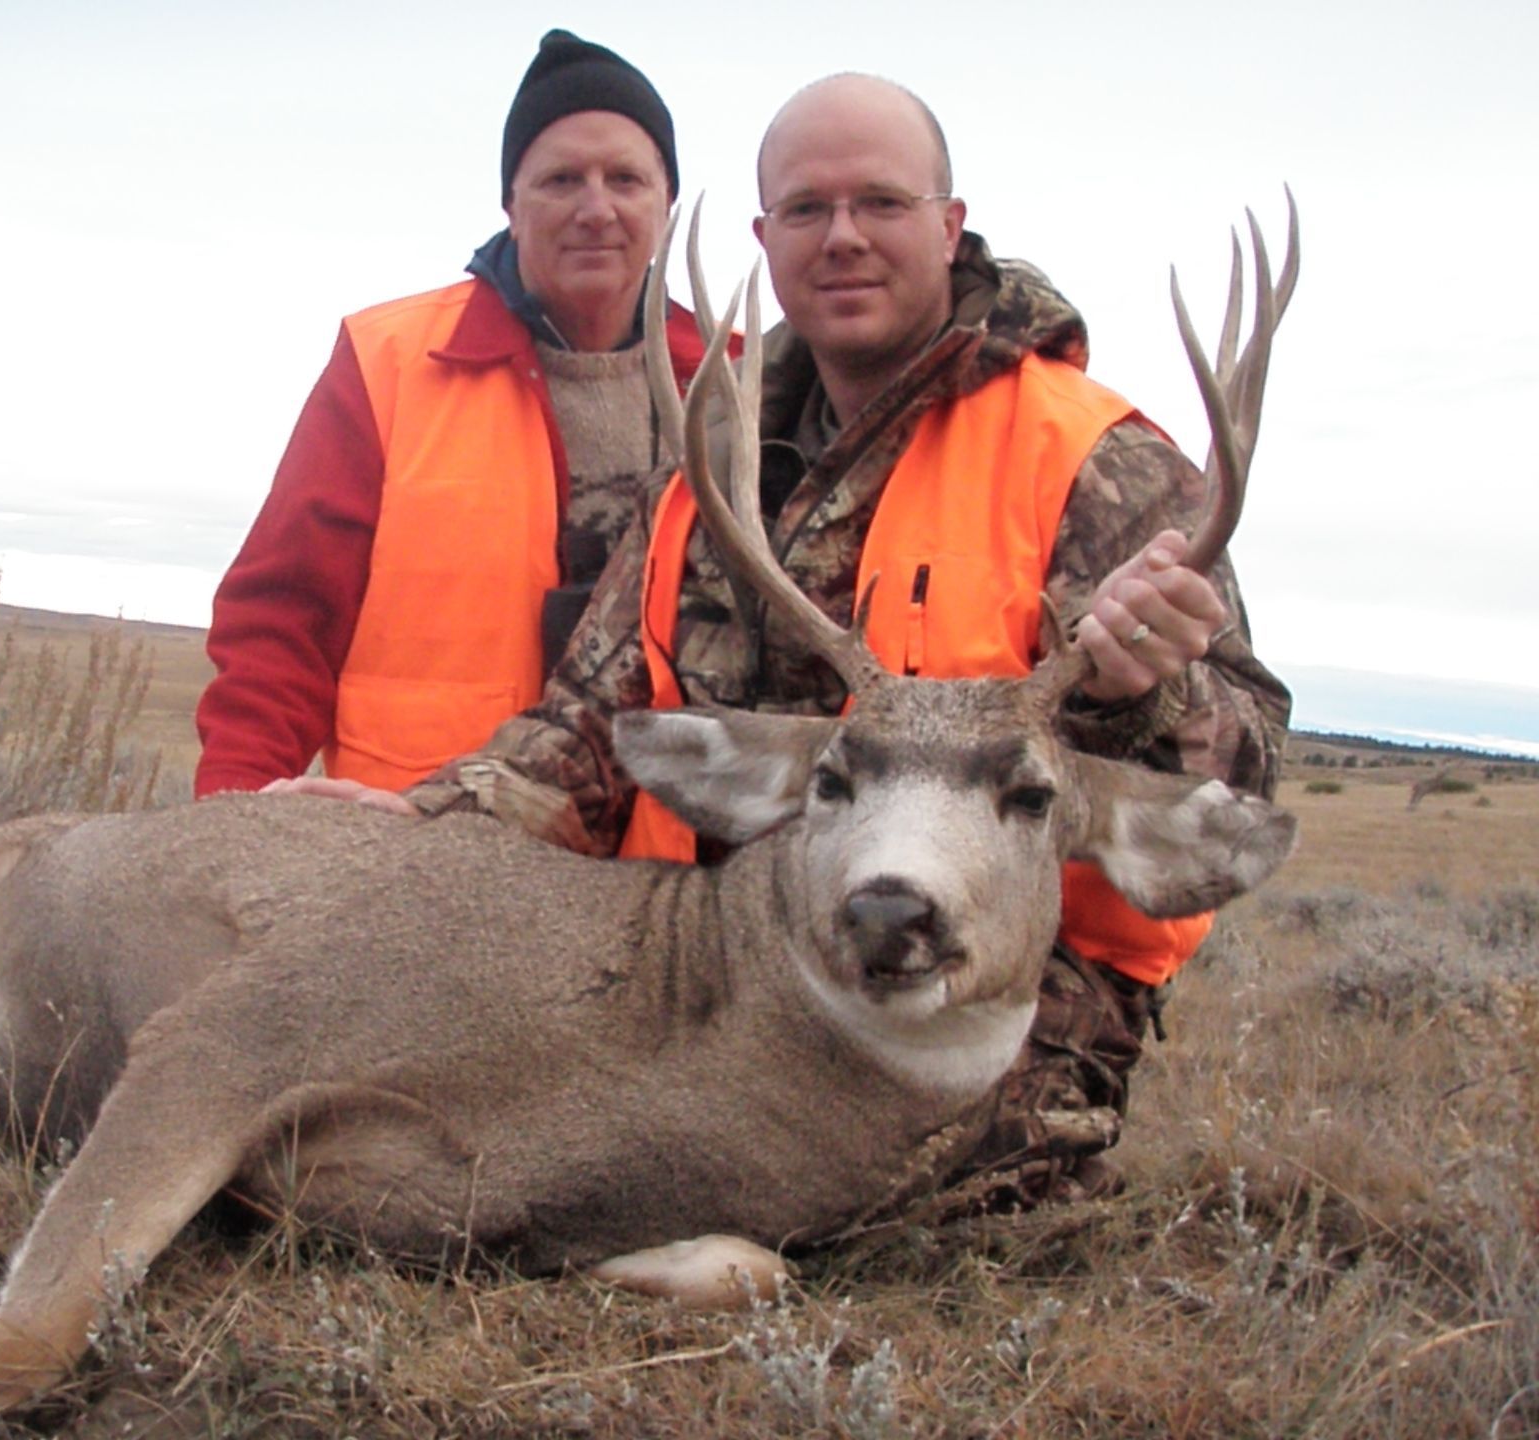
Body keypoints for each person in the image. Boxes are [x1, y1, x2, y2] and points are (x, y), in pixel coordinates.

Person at [407, 73, 1292, 1205]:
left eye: (881, 203)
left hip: (981, 991)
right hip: (708, 962)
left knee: (849, 1199)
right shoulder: (712, 459)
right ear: (764, 238)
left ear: (949, 224)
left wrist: (1150, 692)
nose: (844, 240)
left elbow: (1252, 768)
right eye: (809, 211)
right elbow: (586, 722)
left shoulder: (1090, 457)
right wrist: (409, 832)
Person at [194, 30, 721, 803]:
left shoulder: (740, 381)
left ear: (666, 200)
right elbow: (284, 618)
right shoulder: (391, 362)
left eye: (627, 179)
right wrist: (232, 812)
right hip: (421, 856)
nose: (596, 208)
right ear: (511, 201)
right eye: (560, 180)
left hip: (660, 864)